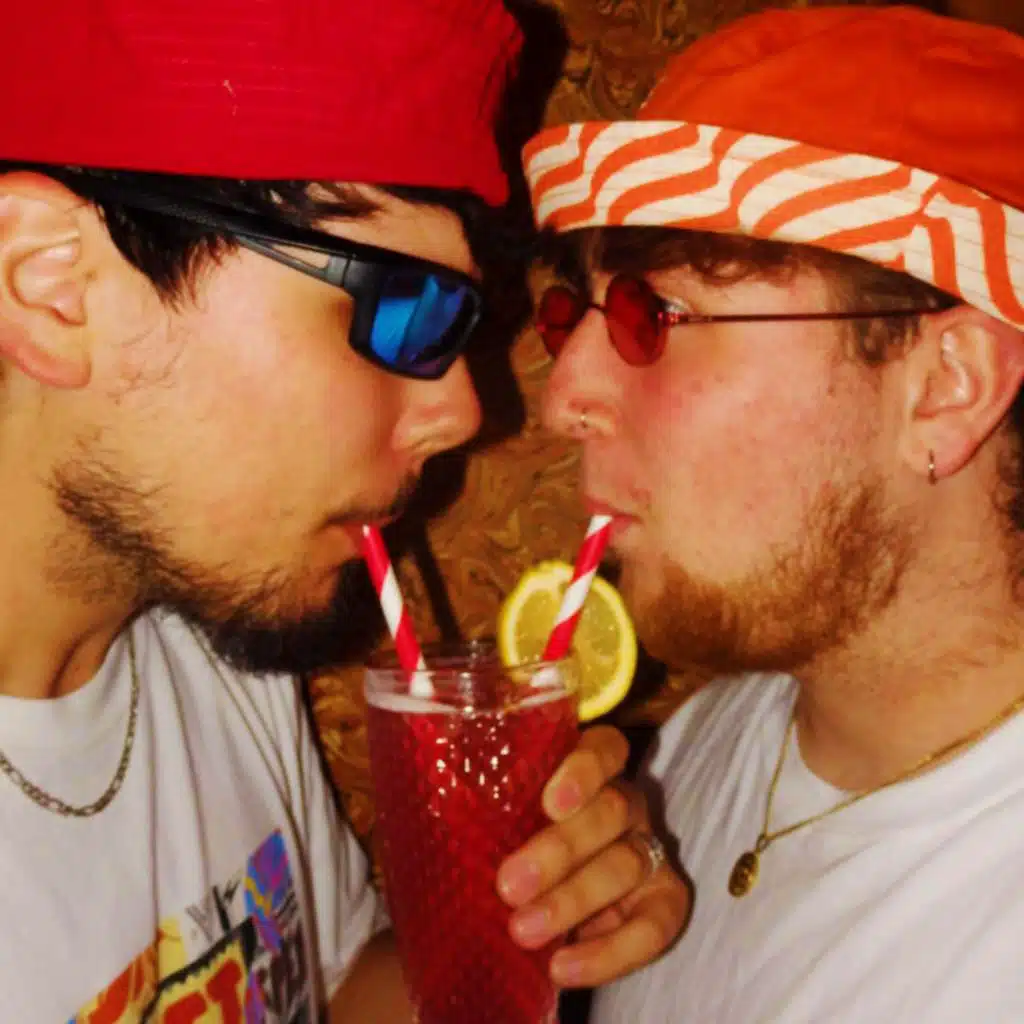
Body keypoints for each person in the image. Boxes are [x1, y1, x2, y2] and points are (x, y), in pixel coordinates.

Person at [0, 0, 691, 1020]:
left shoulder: (213, 646)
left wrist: (520, 920)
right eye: (399, 306)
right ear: (52, 284)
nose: (462, 411)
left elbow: (325, 989)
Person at [524, 5, 1024, 1021]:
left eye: (655, 315)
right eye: (573, 315)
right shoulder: (705, 743)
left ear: (947, 384)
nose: (560, 398)